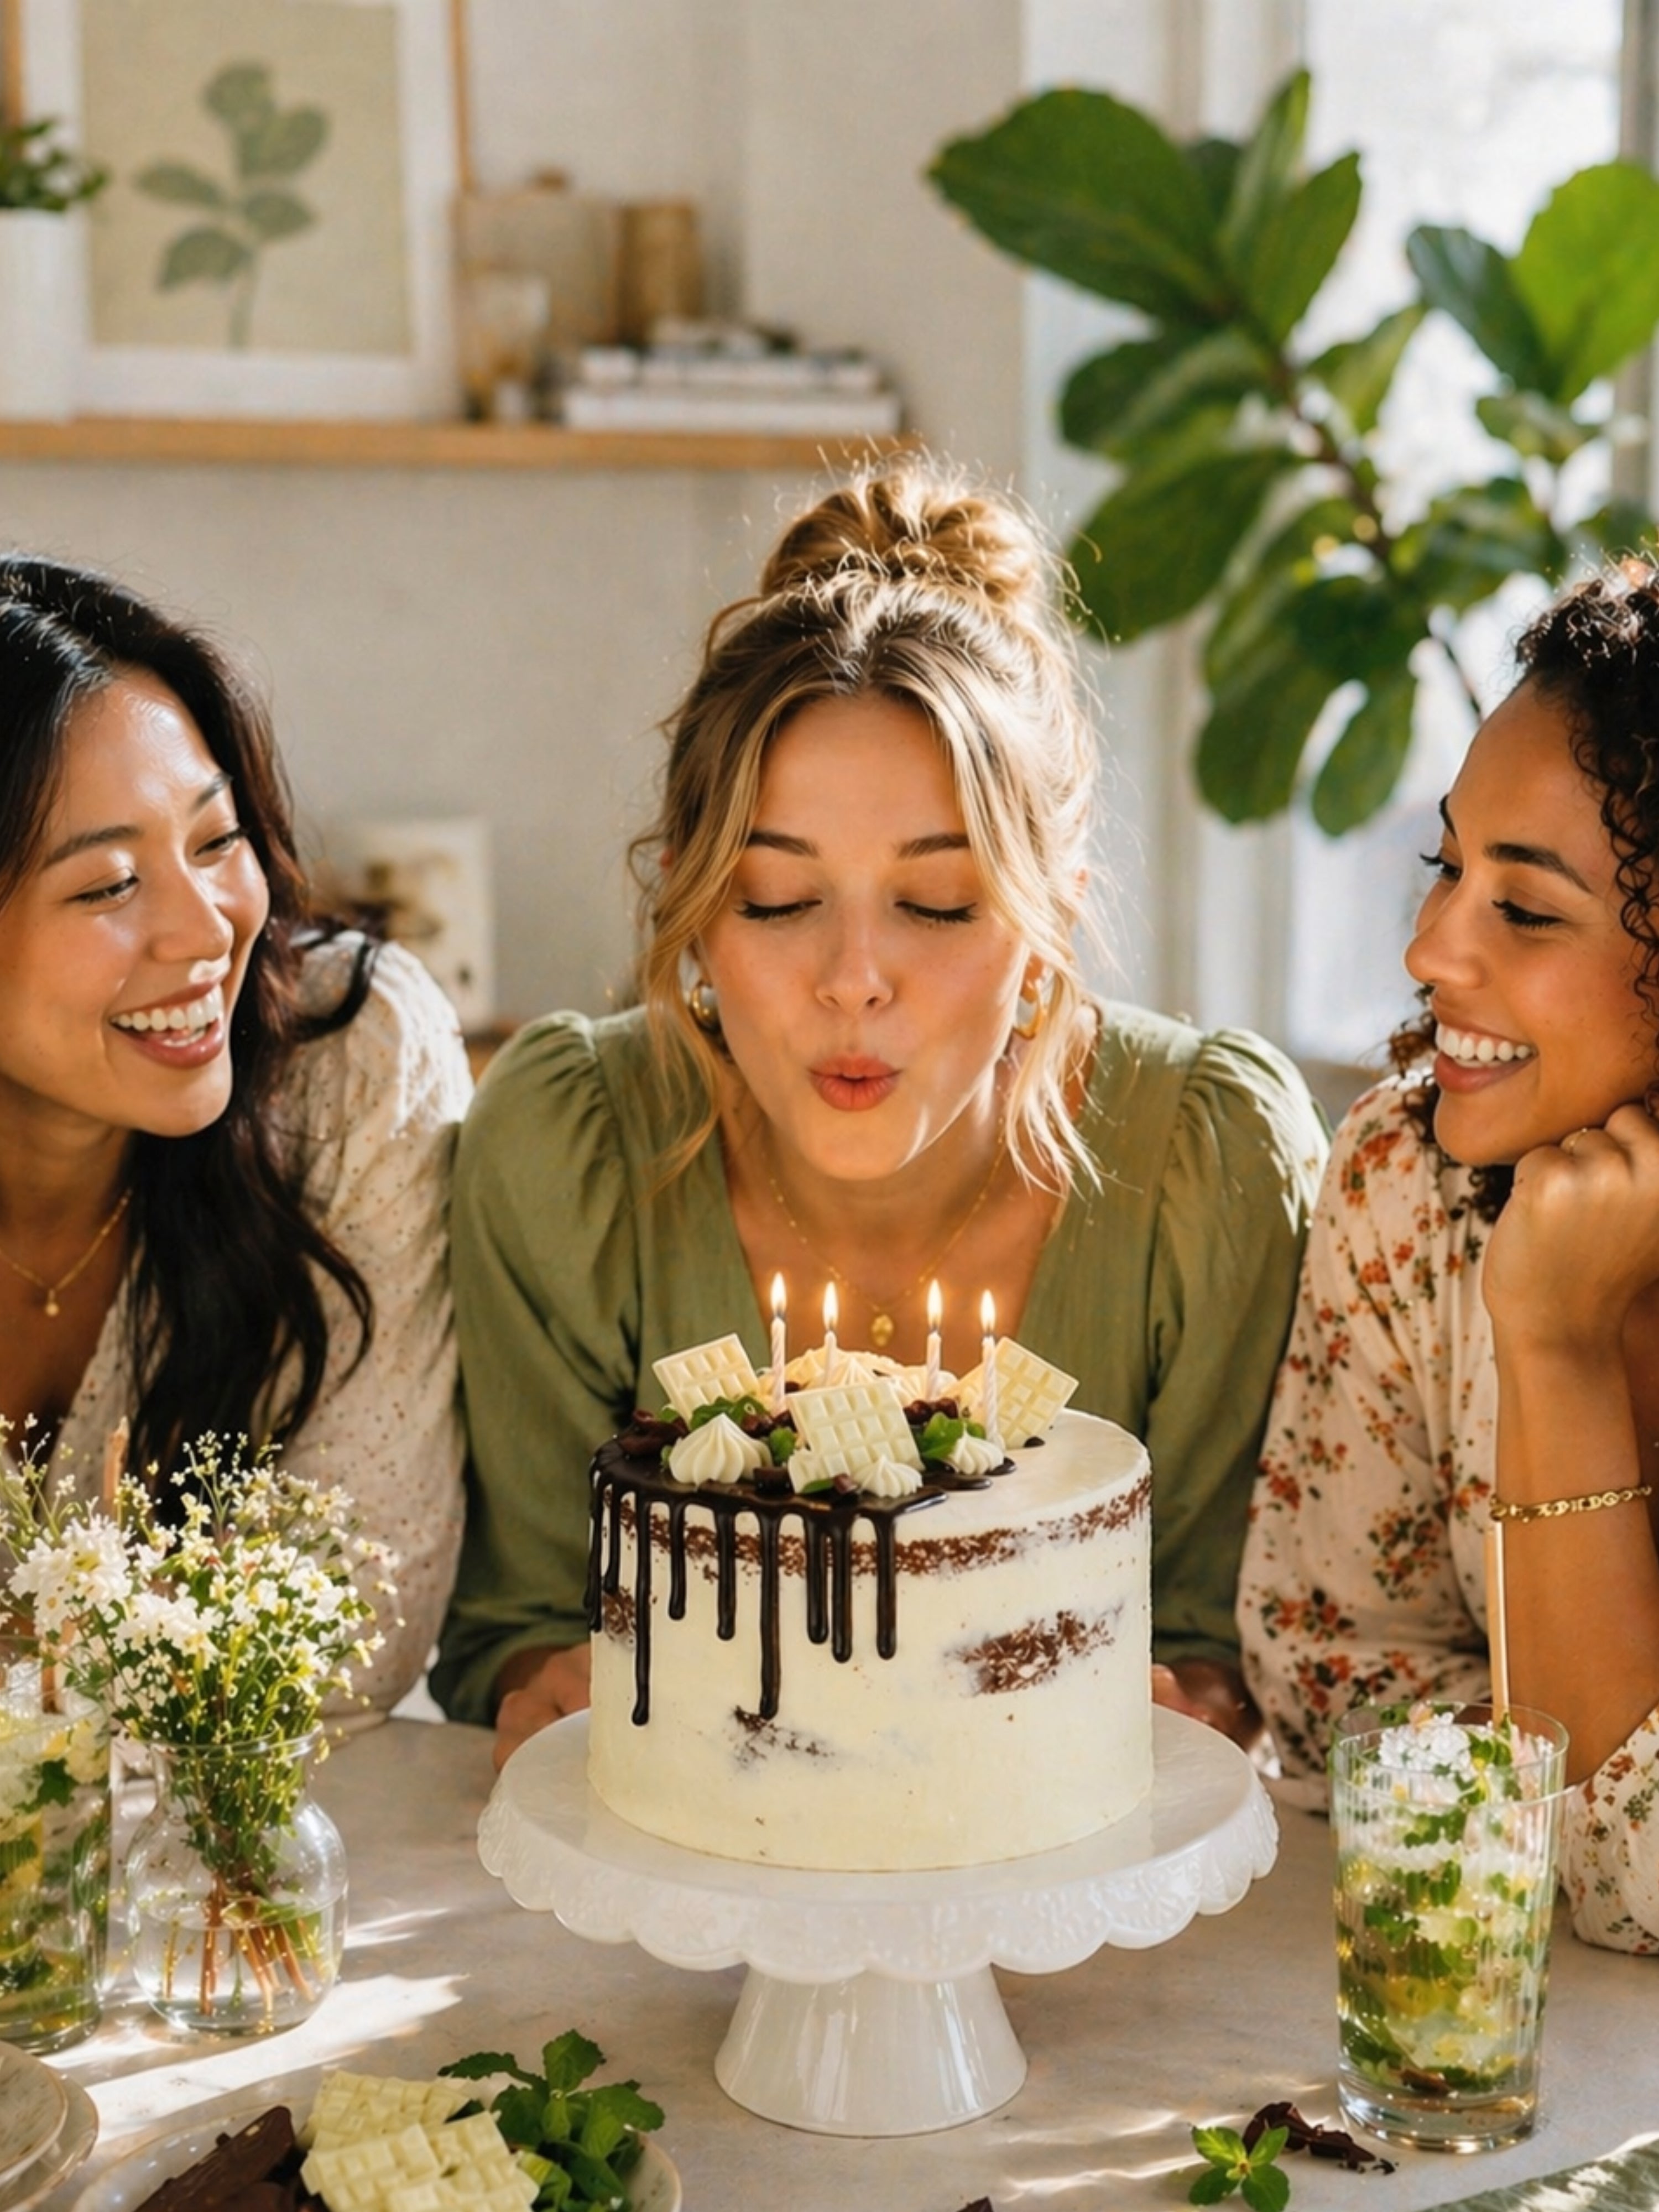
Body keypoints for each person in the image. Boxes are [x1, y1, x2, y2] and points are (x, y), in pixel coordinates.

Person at [434, 458, 1327, 1764]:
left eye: (939, 904)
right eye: (779, 900)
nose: (854, 978)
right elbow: (516, 1631)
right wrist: (548, 1681)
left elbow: (1227, 1655)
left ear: (1052, 918)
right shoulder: (565, 1150)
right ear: (690, 904)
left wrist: (1194, 1703)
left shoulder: (1216, 1165)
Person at [1240, 562, 1659, 1954]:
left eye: (1524, 910)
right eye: (1447, 867)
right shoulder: (1408, 1183)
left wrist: (1558, 1345)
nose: (1430, 949)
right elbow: (1331, 1674)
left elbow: (1637, 1884)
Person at [0, 556, 470, 1722]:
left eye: (215, 840)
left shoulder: (348, 1063)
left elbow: (360, 1617)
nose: (207, 928)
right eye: (110, 884)